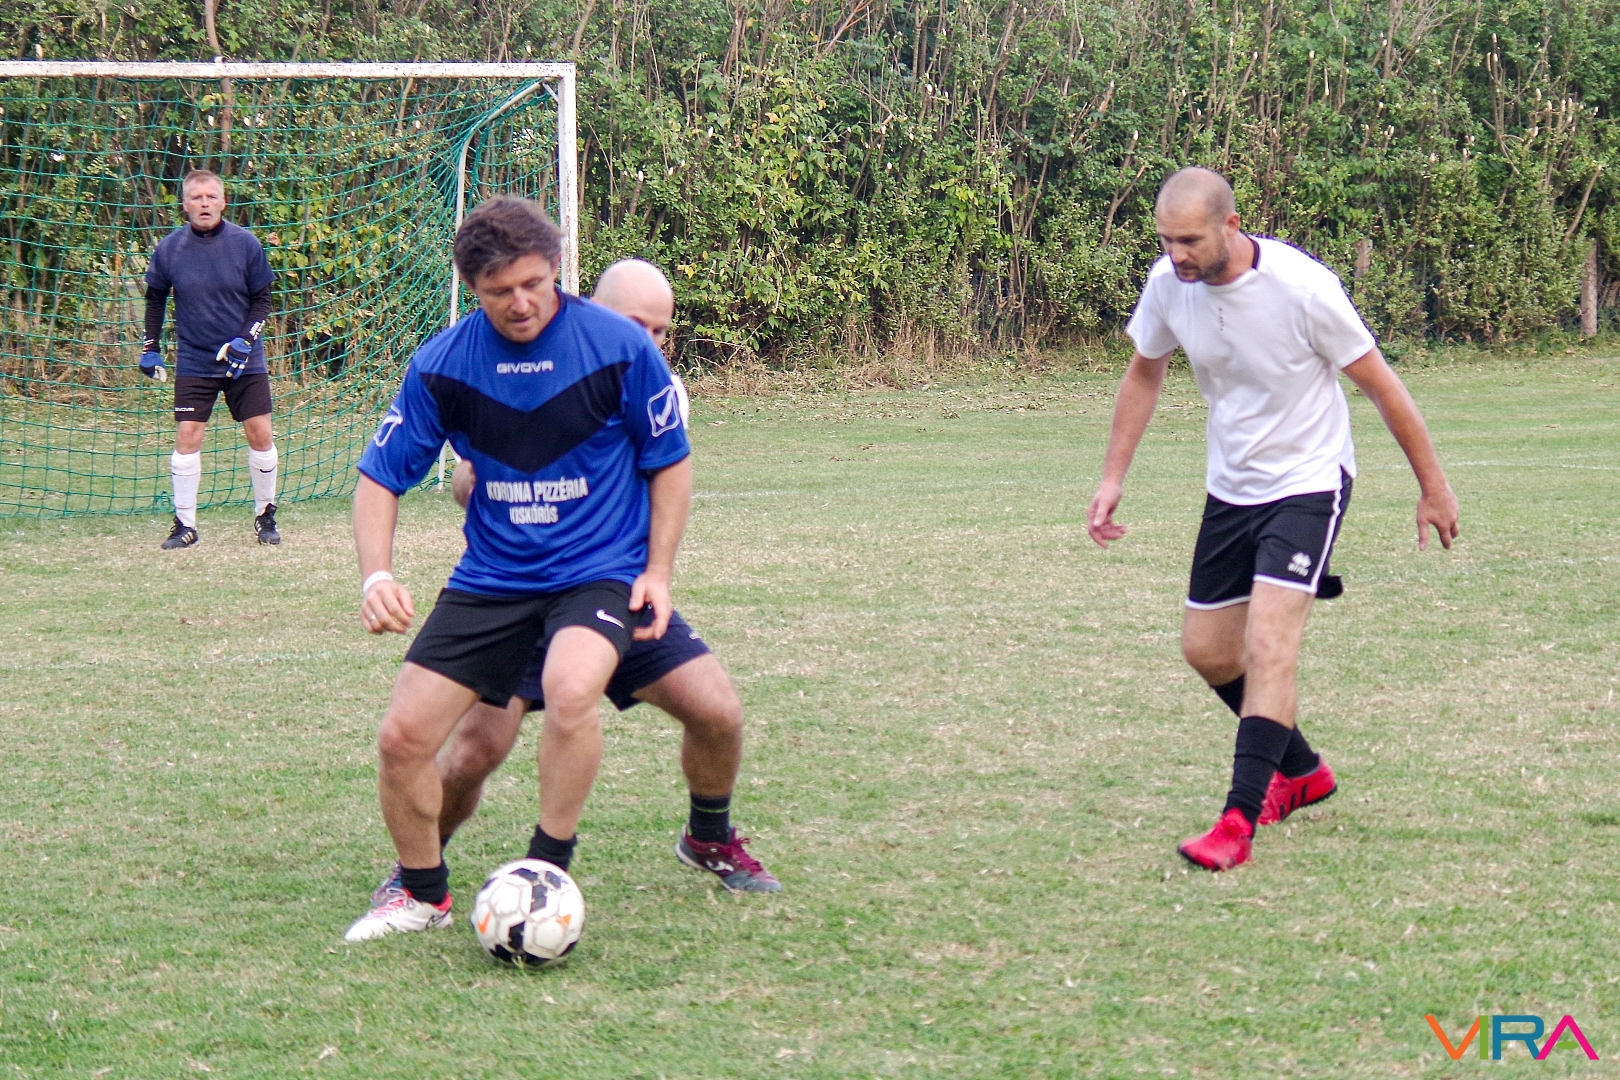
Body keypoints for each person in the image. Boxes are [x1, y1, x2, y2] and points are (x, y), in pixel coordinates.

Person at [365, 259, 777, 905]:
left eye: (661, 331)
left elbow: (663, 471)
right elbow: (472, 476)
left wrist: (658, 572)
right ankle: (417, 869)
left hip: (609, 588)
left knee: (717, 711)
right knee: (474, 752)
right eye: (638, 324)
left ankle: (707, 837)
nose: (650, 340)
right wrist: (472, 479)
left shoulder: (641, 375)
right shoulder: (512, 360)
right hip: (516, 595)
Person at [1087, 167, 1459, 872]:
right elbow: (1144, 372)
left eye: (1190, 241)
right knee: (1207, 651)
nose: (1177, 256)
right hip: (1232, 486)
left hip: (1309, 481)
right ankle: (1304, 770)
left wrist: (1433, 488)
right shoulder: (1168, 285)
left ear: (1230, 226)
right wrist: (1112, 478)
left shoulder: (1303, 287)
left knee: (1268, 643)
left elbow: (1382, 387)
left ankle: (1237, 822)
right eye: (1166, 241)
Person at [345, 198, 693, 941]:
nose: (521, 302)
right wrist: (377, 575)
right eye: (499, 292)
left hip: (596, 569)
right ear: (473, 289)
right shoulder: (443, 364)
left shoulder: (619, 347)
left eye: (534, 283)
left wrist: (658, 572)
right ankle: (421, 894)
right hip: (493, 578)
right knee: (404, 737)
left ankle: (547, 868)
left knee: (571, 690)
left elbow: (671, 461)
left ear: (557, 269)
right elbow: (380, 478)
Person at [142, 168, 281, 548]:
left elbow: (263, 300)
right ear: (185, 204)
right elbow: (155, 300)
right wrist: (150, 347)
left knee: (261, 434)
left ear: (223, 202)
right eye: (196, 198)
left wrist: (245, 340)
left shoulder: (245, 244)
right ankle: (185, 526)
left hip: (244, 360)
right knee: (187, 436)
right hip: (194, 360)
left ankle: (265, 515)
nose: (204, 203)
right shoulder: (170, 249)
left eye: (211, 197)